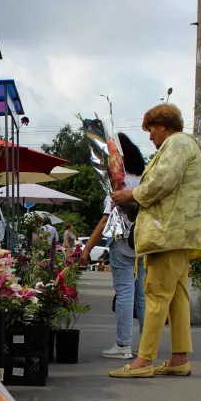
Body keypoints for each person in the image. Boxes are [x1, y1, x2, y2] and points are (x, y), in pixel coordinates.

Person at [108, 104, 201, 378]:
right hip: (179, 233)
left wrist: (129, 196)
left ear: (163, 126)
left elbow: (160, 182)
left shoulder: (176, 143)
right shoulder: (184, 144)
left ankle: (143, 361)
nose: (150, 136)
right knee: (177, 296)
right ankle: (179, 357)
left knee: (155, 293)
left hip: (170, 232)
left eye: (151, 129)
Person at [81, 132, 147, 360]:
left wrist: (87, 249)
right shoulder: (143, 176)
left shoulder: (118, 181)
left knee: (125, 294)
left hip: (122, 240)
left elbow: (104, 220)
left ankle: (123, 344)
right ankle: (147, 345)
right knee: (142, 295)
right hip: (143, 240)